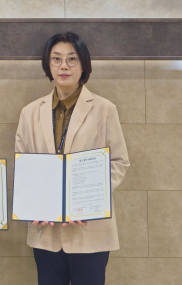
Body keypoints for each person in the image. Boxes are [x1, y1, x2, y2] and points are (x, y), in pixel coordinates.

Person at [15, 32, 130, 285]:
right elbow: (24, 167)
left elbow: (118, 162)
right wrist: (33, 204)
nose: (64, 66)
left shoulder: (104, 109)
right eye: (56, 59)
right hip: (45, 231)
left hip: (89, 231)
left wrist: (90, 202)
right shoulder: (30, 112)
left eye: (72, 59)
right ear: (48, 65)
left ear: (83, 65)